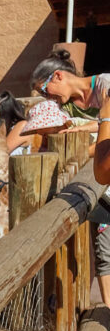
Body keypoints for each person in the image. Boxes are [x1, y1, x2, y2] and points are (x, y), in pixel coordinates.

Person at [32, 50, 110, 308]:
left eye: (45, 90)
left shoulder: (106, 87)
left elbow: (103, 153)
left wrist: (75, 150)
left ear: (58, 76)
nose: (47, 98)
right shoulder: (77, 102)